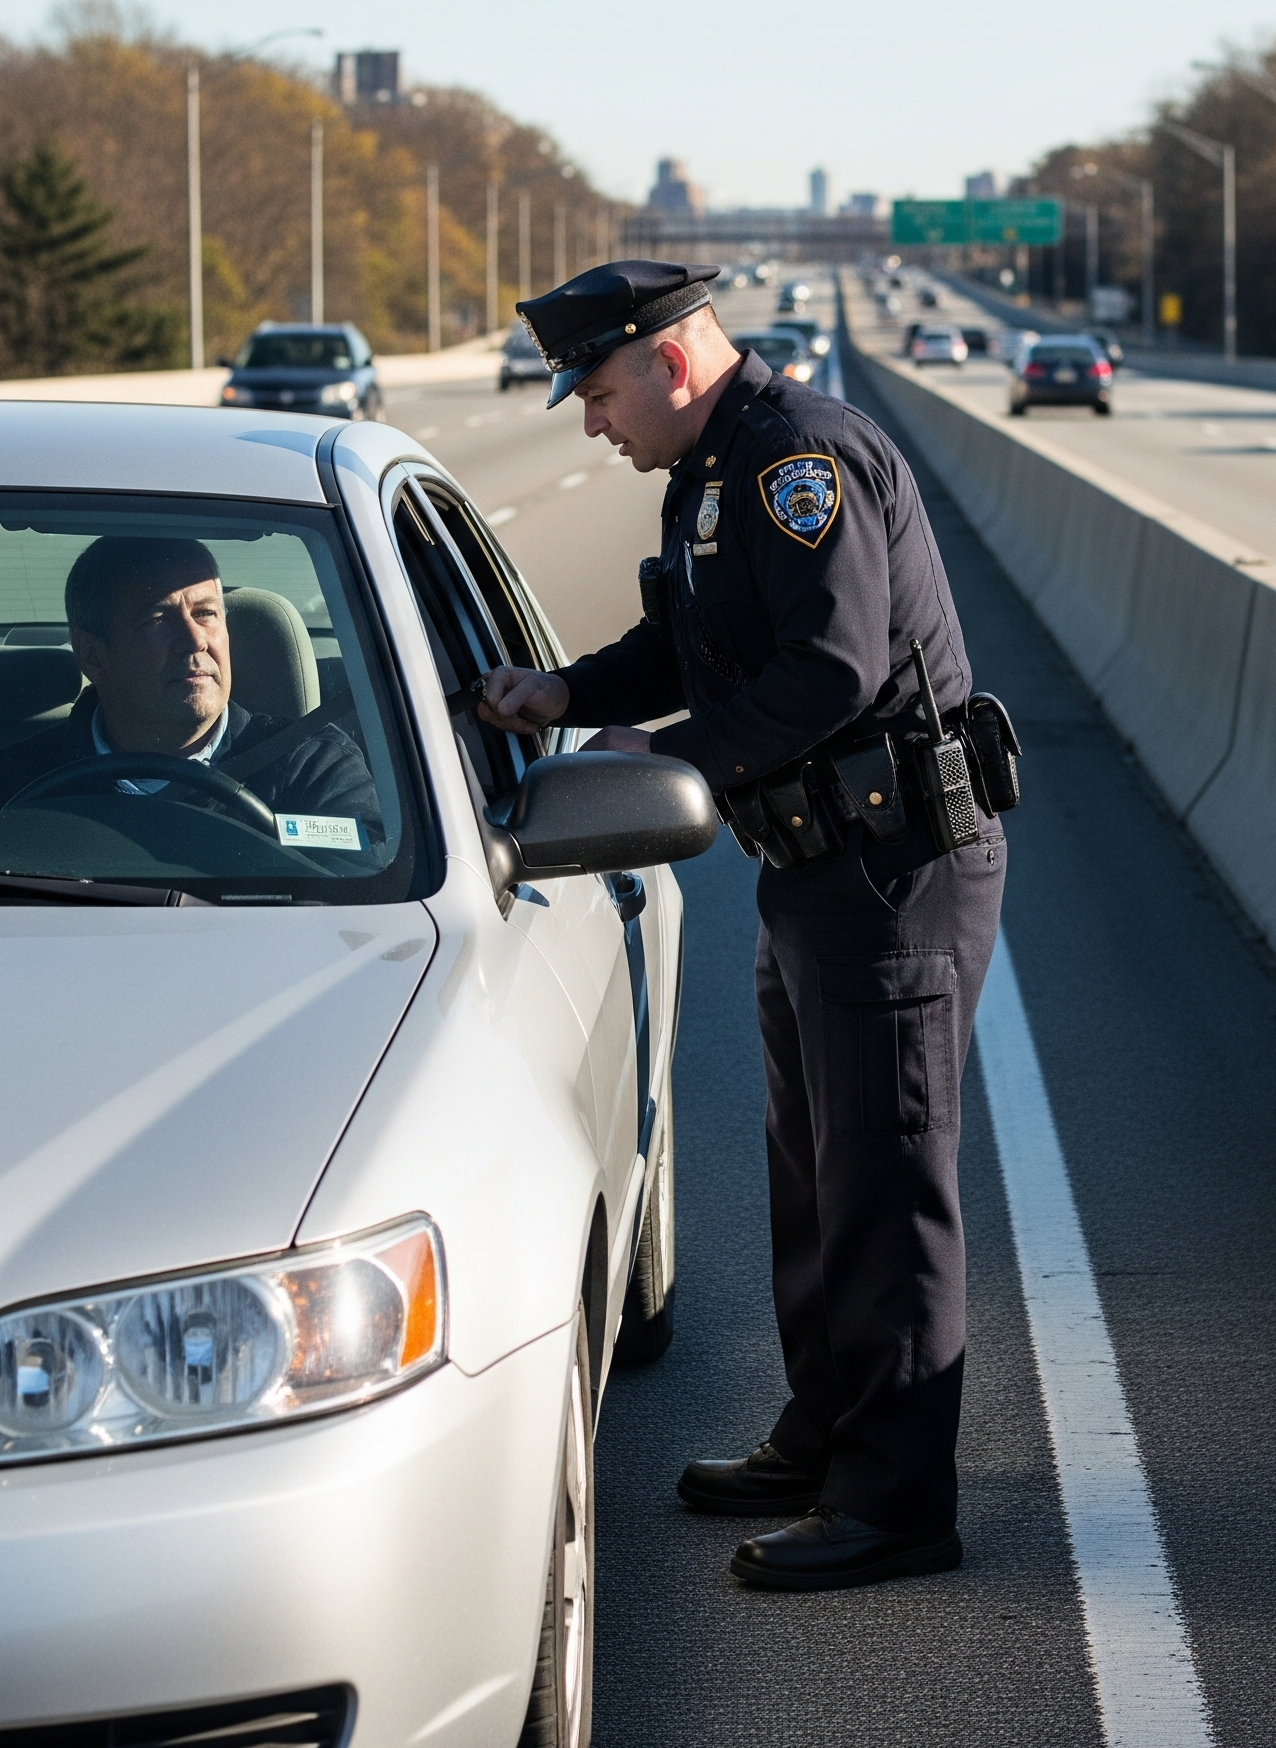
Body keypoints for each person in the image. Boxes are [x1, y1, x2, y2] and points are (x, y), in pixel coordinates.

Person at [478, 260, 1008, 1592]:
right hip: (818, 865)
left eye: (596, 392)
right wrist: (564, 692)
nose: (592, 423)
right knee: (816, 1175)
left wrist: (664, 764)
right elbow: (697, 645)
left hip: (891, 865)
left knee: (884, 1190)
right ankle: (828, 1436)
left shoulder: (797, 463)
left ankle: (896, 1507)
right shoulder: (711, 476)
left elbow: (832, 667)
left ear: (665, 359)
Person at [0, 536, 380, 838]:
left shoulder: (313, 771)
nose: (195, 640)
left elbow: (371, 913)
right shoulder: (12, 789)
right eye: (158, 620)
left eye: (206, 613)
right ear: (93, 656)